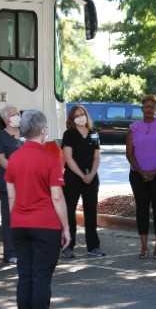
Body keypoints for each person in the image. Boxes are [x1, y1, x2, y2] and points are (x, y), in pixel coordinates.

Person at [5, 110, 71, 309]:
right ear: (42, 130)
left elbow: (11, 197)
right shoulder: (50, 159)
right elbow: (57, 198)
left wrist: (16, 220)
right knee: (42, 277)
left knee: (25, 275)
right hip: (45, 225)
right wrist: (66, 228)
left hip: (20, 224)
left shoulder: (14, 158)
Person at [125, 95, 156, 259]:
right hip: (138, 175)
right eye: (146, 106)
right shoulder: (133, 127)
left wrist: (155, 171)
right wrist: (141, 172)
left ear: (155, 108)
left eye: (152, 106)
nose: (149, 109)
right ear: (142, 108)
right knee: (141, 209)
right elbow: (129, 153)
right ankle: (144, 246)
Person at [61, 105, 104, 258]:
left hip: (91, 178)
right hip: (73, 177)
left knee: (91, 212)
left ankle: (93, 246)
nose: (80, 117)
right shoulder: (69, 134)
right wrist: (81, 174)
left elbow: (97, 156)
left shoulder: (94, 134)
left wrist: (91, 174)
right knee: (70, 211)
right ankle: (67, 246)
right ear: (72, 119)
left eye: (82, 114)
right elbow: (68, 157)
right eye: (77, 115)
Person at [0, 104, 23, 264]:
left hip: (26, 184)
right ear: (5, 119)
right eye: (13, 114)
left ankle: (23, 250)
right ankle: (10, 253)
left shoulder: (25, 135)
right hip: (8, 184)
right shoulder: (0, 136)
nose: (17, 116)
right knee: (9, 219)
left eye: (18, 113)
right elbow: (0, 158)